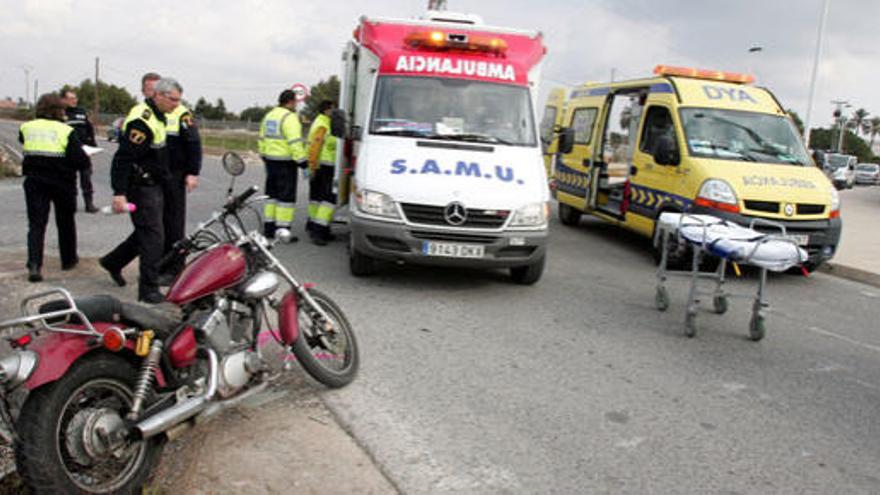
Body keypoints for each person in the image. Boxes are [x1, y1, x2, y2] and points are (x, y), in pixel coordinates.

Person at [99, 78, 180, 304]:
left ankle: (113, 261)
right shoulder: (142, 121)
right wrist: (119, 192)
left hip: (154, 184)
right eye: (173, 99)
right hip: (141, 187)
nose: (177, 104)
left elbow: (157, 154)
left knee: (146, 233)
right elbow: (123, 158)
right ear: (159, 95)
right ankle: (148, 290)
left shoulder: (158, 116)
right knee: (154, 238)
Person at [19, 94, 90, 282]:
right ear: (59, 110)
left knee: (36, 224)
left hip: (34, 181)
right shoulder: (65, 130)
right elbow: (80, 160)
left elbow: (23, 143)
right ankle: (68, 260)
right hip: (62, 182)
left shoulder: (27, 127)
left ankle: (34, 265)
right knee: (65, 221)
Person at [159, 84, 201, 284]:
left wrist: (192, 173)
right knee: (159, 224)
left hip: (175, 176)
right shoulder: (154, 113)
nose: (176, 103)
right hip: (159, 175)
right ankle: (161, 264)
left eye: (177, 99)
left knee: (174, 225)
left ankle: (175, 269)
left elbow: (194, 144)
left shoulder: (183, 115)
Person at [258, 89, 307, 241]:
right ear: (291, 101)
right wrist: (302, 162)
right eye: (296, 103)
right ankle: (283, 232)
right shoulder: (290, 117)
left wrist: (264, 155)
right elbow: (295, 142)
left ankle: (268, 229)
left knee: (271, 196)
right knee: (285, 198)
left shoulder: (269, 116)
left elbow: (261, 138)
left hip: (270, 162)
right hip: (286, 163)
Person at [60, 89, 99, 213]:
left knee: (86, 177)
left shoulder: (81, 112)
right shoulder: (60, 114)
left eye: (75, 98)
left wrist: (92, 144)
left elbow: (89, 128)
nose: (74, 101)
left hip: (83, 150)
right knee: (68, 179)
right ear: (64, 100)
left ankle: (89, 204)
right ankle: (69, 203)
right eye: (71, 98)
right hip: (67, 151)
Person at [305, 100, 338, 245]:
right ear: (326, 110)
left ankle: (313, 225)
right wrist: (312, 166)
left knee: (316, 197)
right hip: (325, 166)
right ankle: (319, 230)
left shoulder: (321, 122)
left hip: (319, 165)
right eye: (333, 109)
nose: (334, 112)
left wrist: (312, 167)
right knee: (329, 198)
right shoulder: (323, 124)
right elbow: (316, 147)